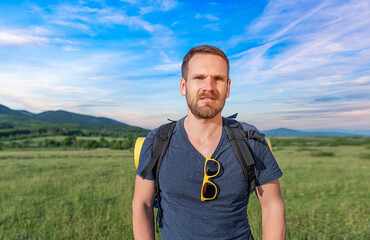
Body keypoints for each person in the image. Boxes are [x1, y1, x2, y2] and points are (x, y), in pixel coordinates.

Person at [132, 45, 286, 240]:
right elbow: (142, 204)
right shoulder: (157, 141)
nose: (209, 87)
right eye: (199, 78)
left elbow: (273, 205)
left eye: (218, 79)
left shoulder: (251, 140)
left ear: (228, 88)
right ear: (183, 86)